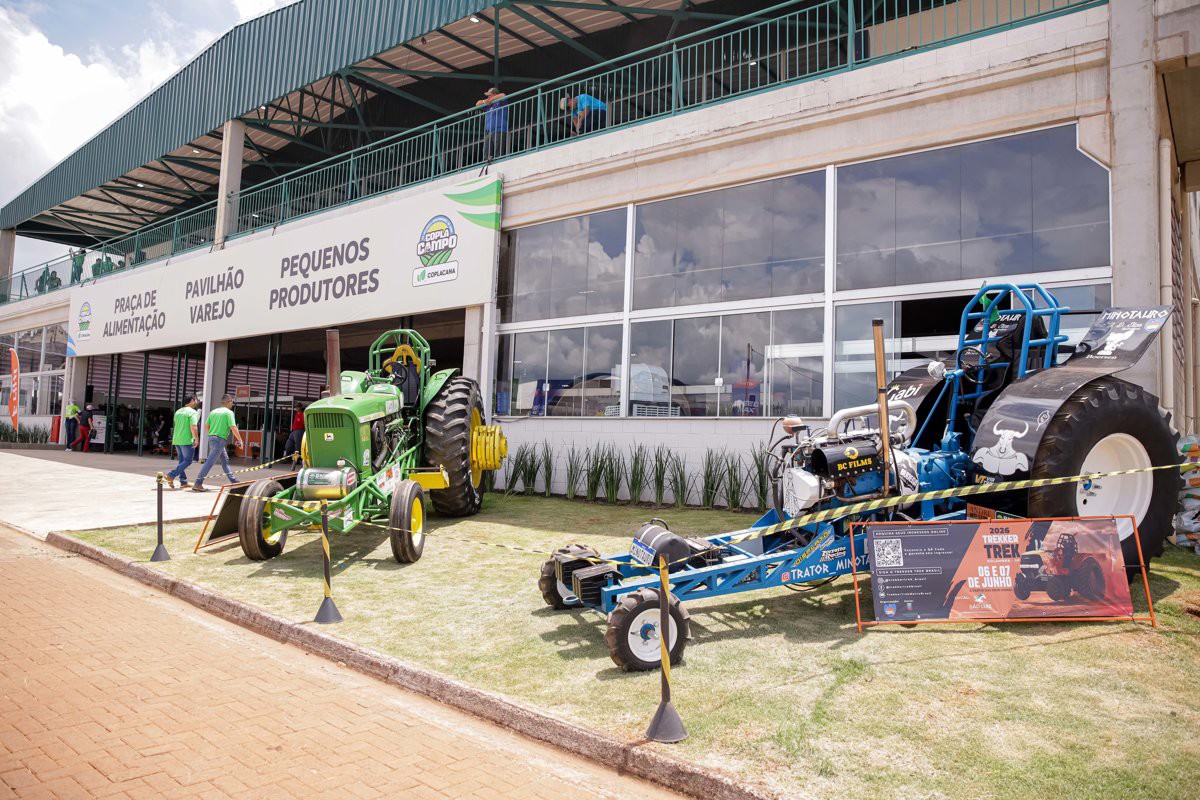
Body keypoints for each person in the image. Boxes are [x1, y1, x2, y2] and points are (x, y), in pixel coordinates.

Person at [191, 395, 243, 492]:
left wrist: (212, 434)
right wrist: (240, 440)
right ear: (228, 402)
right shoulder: (229, 413)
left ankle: (234, 481)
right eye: (232, 402)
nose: (232, 404)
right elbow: (233, 427)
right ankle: (198, 483)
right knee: (210, 462)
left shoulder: (213, 412)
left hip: (212, 438)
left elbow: (206, 425)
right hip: (220, 439)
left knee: (225, 460)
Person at [165, 395, 201, 489]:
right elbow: (193, 426)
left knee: (182, 461)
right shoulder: (193, 412)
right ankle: (171, 475)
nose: (197, 401)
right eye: (196, 400)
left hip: (177, 439)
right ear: (192, 401)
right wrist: (196, 439)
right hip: (186, 440)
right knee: (188, 460)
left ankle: (183, 482)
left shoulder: (178, 411)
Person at [475, 86, 508, 163]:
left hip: (499, 130)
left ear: (494, 94)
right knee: (486, 153)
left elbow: (503, 95)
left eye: (490, 95)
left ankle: (498, 163)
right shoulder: (488, 105)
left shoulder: (501, 102)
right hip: (488, 132)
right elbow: (477, 104)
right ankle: (488, 165)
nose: (488, 96)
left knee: (498, 153)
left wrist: (491, 99)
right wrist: (484, 101)